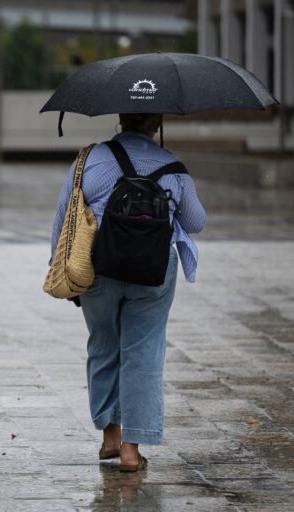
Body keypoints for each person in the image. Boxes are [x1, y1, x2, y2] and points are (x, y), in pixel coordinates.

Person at [50, 113, 206, 472]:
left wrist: (61, 270)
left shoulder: (89, 159)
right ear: (158, 123)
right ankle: (131, 451)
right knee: (144, 351)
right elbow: (195, 221)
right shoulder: (173, 166)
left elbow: (64, 215)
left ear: (121, 118)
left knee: (103, 344)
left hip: (97, 266)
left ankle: (109, 436)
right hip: (152, 272)